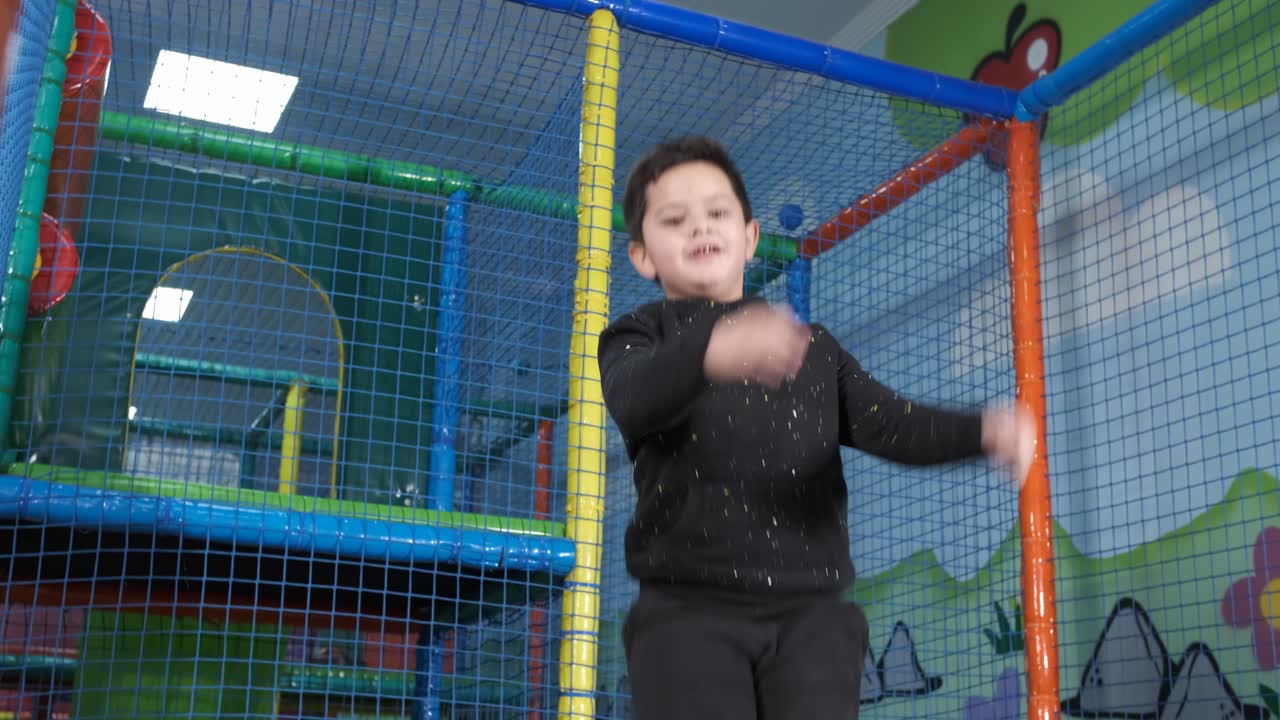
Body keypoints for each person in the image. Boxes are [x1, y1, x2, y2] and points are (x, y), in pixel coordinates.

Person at [596, 136, 1036, 720]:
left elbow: (889, 425)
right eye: (674, 220)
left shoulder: (813, 349)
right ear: (643, 257)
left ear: (749, 237)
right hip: (685, 611)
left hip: (812, 613)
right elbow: (632, 397)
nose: (700, 227)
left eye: (718, 212)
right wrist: (711, 350)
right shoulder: (636, 338)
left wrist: (983, 431)